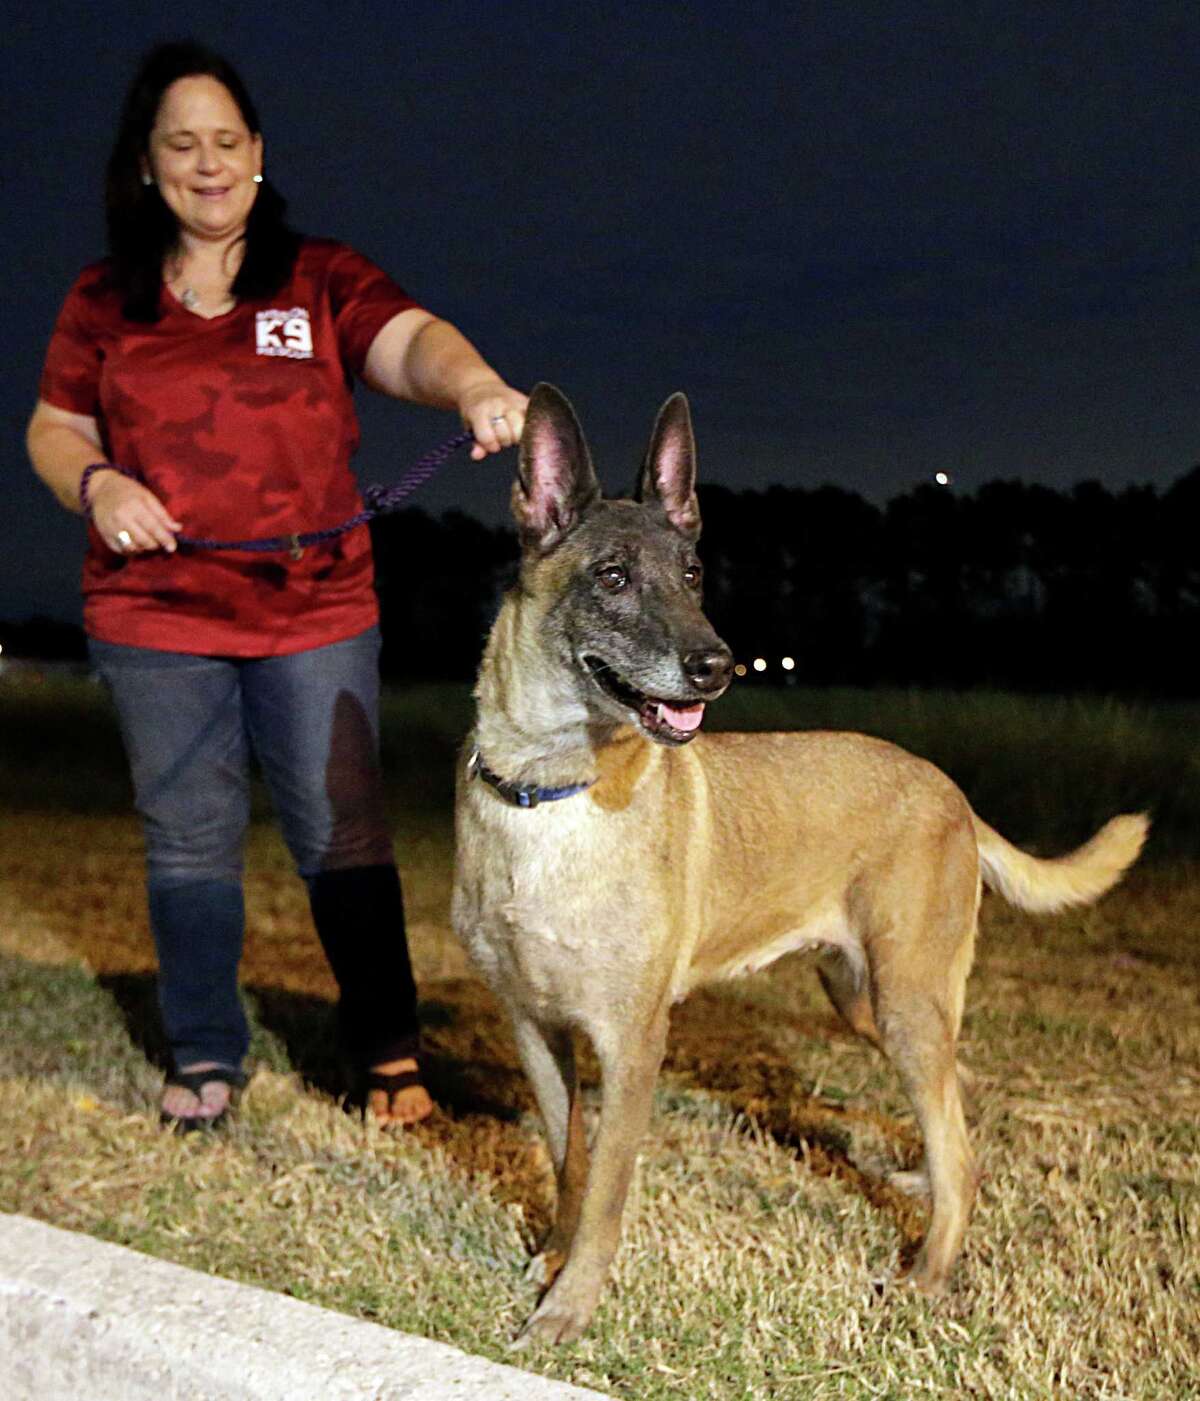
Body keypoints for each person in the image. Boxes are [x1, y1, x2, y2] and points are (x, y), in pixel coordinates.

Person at [27, 40, 527, 1131]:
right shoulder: (103, 298)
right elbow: (54, 428)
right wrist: (100, 483)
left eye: (226, 141)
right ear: (146, 164)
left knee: (344, 831)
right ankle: (205, 1053)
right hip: (155, 615)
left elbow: (408, 342)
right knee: (188, 834)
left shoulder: (320, 276)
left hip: (314, 608)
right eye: (182, 145)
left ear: (257, 153)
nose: (207, 164)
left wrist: (474, 384)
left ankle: (388, 1051)